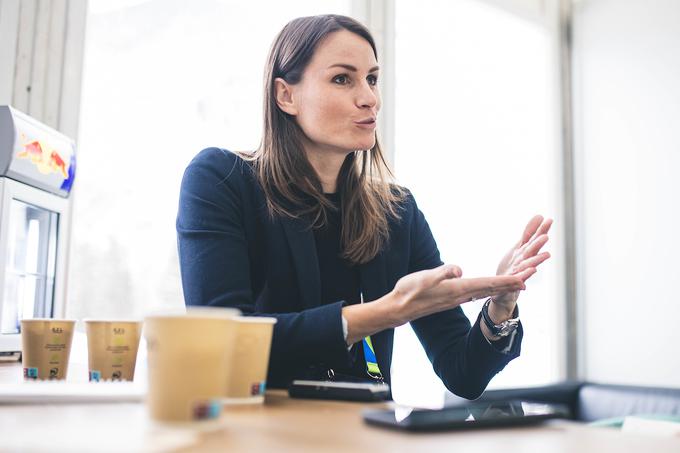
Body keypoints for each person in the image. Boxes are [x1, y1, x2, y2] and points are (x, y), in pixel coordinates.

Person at [176, 14, 552, 399]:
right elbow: (223, 343)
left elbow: (463, 374)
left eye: (372, 79)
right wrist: (388, 311)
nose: (369, 97)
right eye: (343, 79)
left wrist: (500, 309)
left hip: (365, 436)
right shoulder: (221, 180)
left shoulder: (397, 212)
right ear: (285, 95)